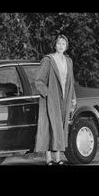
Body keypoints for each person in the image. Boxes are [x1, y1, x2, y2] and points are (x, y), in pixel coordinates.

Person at [34, 34, 77, 165]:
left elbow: (71, 82)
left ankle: (58, 159)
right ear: (55, 45)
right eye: (58, 43)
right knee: (50, 127)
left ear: (66, 46)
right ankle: (49, 159)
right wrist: (47, 94)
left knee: (60, 127)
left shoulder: (69, 61)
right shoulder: (48, 60)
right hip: (51, 100)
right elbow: (39, 80)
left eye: (63, 44)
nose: (60, 46)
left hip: (64, 99)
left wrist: (73, 99)